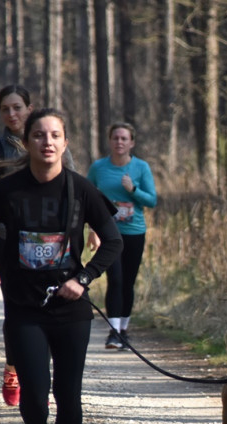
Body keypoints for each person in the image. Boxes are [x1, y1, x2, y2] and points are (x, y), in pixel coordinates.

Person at [0, 108, 122, 424]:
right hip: (24, 308)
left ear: (65, 142)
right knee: (36, 395)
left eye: (55, 135)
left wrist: (84, 278)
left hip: (70, 309)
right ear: (29, 143)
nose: (48, 142)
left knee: (68, 397)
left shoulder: (80, 188)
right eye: (40, 135)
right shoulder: (9, 189)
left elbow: (114, 240)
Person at [0, 84, 82, 407]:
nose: (12, 114)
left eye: (18, 107)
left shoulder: (52, 141)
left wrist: (91, 227)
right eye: (6, 109)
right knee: (17, 311)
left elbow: (75, 190)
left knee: (54, 308)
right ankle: (14, 366)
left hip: (53, 242)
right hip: (9, 244)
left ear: (29, 109)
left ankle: (49, 371)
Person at [86, 122, 158, 349]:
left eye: (124, 139)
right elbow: (87, 199)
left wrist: (132, 190)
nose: (119, 142)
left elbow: (152, 201)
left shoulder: (141, 168)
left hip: (134, 232)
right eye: (115, 138)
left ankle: (123, 330)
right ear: (109, 141)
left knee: (128, 282)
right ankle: (113, 332)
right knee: (114, 280)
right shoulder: (99, 168)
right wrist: (92, 230)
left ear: (132, 143)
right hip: (109, 234)